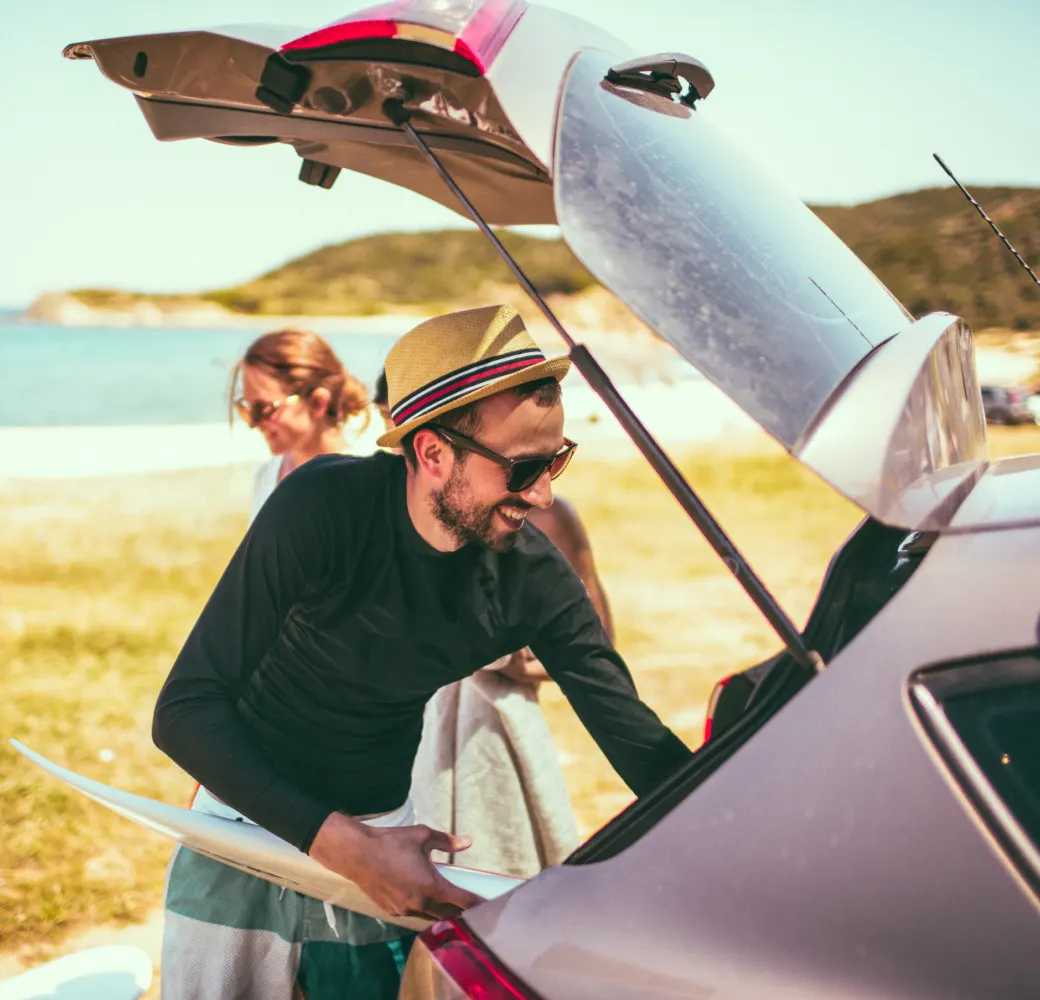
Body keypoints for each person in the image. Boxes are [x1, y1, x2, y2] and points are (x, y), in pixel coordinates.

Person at [154, 304, 692, 1000]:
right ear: (433, 453)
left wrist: (750, 851)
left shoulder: (532, 578)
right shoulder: (320, 506)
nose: (545, 493)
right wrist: (348, 850)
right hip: (243, 823)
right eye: (524, 467)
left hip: (383, 837)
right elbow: (185, 710)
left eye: (555, 460)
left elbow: (641, 744)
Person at [412, 493, 614, 878]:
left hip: (495, 729)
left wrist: (514, 664)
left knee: (499, 874)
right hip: (410, 723)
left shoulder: (548, 516)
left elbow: (595, 643)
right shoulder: (410, 501)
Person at [229, 328, 384, 522]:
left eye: (264, 409)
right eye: (247, 408)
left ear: (318, 403)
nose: (253, 423)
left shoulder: (366, 487)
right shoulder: (267, 478)